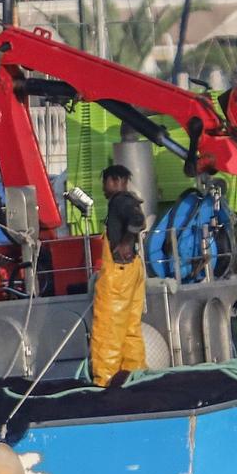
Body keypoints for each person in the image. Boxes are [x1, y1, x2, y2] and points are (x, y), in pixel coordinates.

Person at [89, 163, 148, 387]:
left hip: (118, 272)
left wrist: (124, 242)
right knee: (130, 328)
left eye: (105, 182)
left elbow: (137, 221)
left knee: (108, 329)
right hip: (133, 269)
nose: (104, 188)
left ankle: (105, 381)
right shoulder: (129, 199)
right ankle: (135, 375)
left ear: (114, 181)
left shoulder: (120, 201)